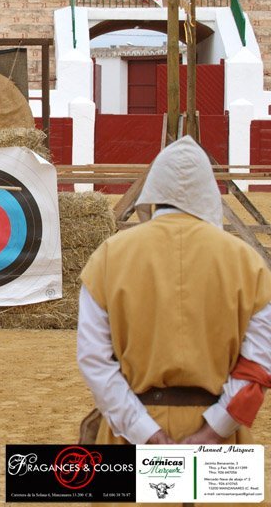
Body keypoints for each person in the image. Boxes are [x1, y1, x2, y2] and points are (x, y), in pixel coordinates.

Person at [77, 136, 271, 448]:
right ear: (208, 193)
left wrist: (144, 432)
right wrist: (213, 431)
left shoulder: (109, 256)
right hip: (221, 444)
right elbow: (259, 364)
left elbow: (94, 359)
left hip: (129, 438)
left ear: (153, 192)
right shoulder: (249, 263)